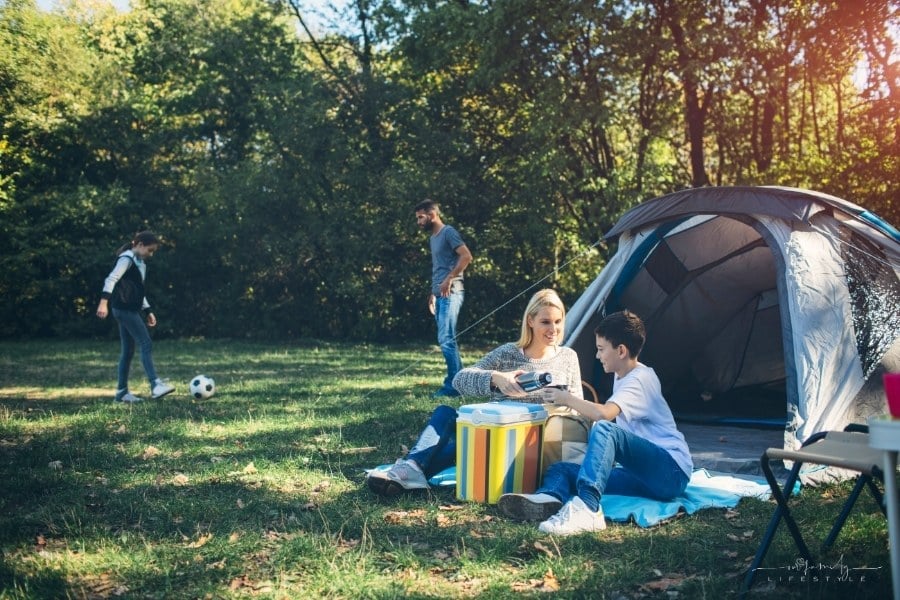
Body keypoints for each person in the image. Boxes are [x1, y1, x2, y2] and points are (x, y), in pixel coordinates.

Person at [367, 289, 584, 497]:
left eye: (558, 321)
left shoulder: (568, 357)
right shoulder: (508, 353)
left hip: (534, 442)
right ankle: (412, 469)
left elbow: (579, 407)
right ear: (530, 321)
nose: (553, 329)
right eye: (545, 322)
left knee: (465, 445)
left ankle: (410, 468)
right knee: (445, 413)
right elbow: (459, 379)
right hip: (498, 431)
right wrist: (495, 378)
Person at [497, 310, 693, 536]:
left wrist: (567, 398)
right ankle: (549, 498)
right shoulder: (622, 375)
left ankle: (588, 508)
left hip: (670, 472)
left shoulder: (640, 379)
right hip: (641, 475)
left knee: (606, 428)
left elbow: (604, 415)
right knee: (562, 469)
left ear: (621, 350)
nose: (598, 356)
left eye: (601, 349)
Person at [96, 231, 175, 403]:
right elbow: (111, 279)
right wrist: (103, 303)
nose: (151, 254)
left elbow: (139, 292)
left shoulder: (140, 263)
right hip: (124, 310)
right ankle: (155, 385)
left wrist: (148, 311)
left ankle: (121, 393)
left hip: (128, 310)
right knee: (145, 342)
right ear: (139, 244)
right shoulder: (126, 259)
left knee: (128, 351)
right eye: (150, 250)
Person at [414, 199, 473, 398]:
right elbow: (440, 267)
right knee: (447, 340)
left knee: (446, 339)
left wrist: (449, 279)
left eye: (421, 217)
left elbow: (466, 256)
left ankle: (453, 386)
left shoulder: (448, 232)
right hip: (440, 294)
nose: (419, 221)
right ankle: (460, 383)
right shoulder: (433, 238)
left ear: (432, 215)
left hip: (453, 291)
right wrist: (433, 292)